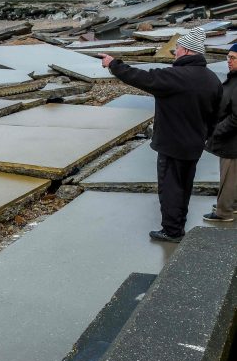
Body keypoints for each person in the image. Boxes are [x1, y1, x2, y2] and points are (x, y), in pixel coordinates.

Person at [99, 27, 222, 243]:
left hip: (171, 145)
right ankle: (178, 225)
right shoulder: (212, 80)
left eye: (177, 49)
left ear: (186, 50)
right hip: (194, 145)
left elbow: (140, 78)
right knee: (184, 187)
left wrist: (113, 64)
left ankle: (172, 231)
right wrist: (205, 137)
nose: (174, 53)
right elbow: (215, 116)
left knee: (170, 189)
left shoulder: (174, 76)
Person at [203, 43, 237, 222]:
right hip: (231, 139)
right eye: (228, 57)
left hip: (232, 140)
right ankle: (233, 204)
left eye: (233, 58)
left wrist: (217, 131)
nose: (228, 61)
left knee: (228, 177)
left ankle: (224, 212)